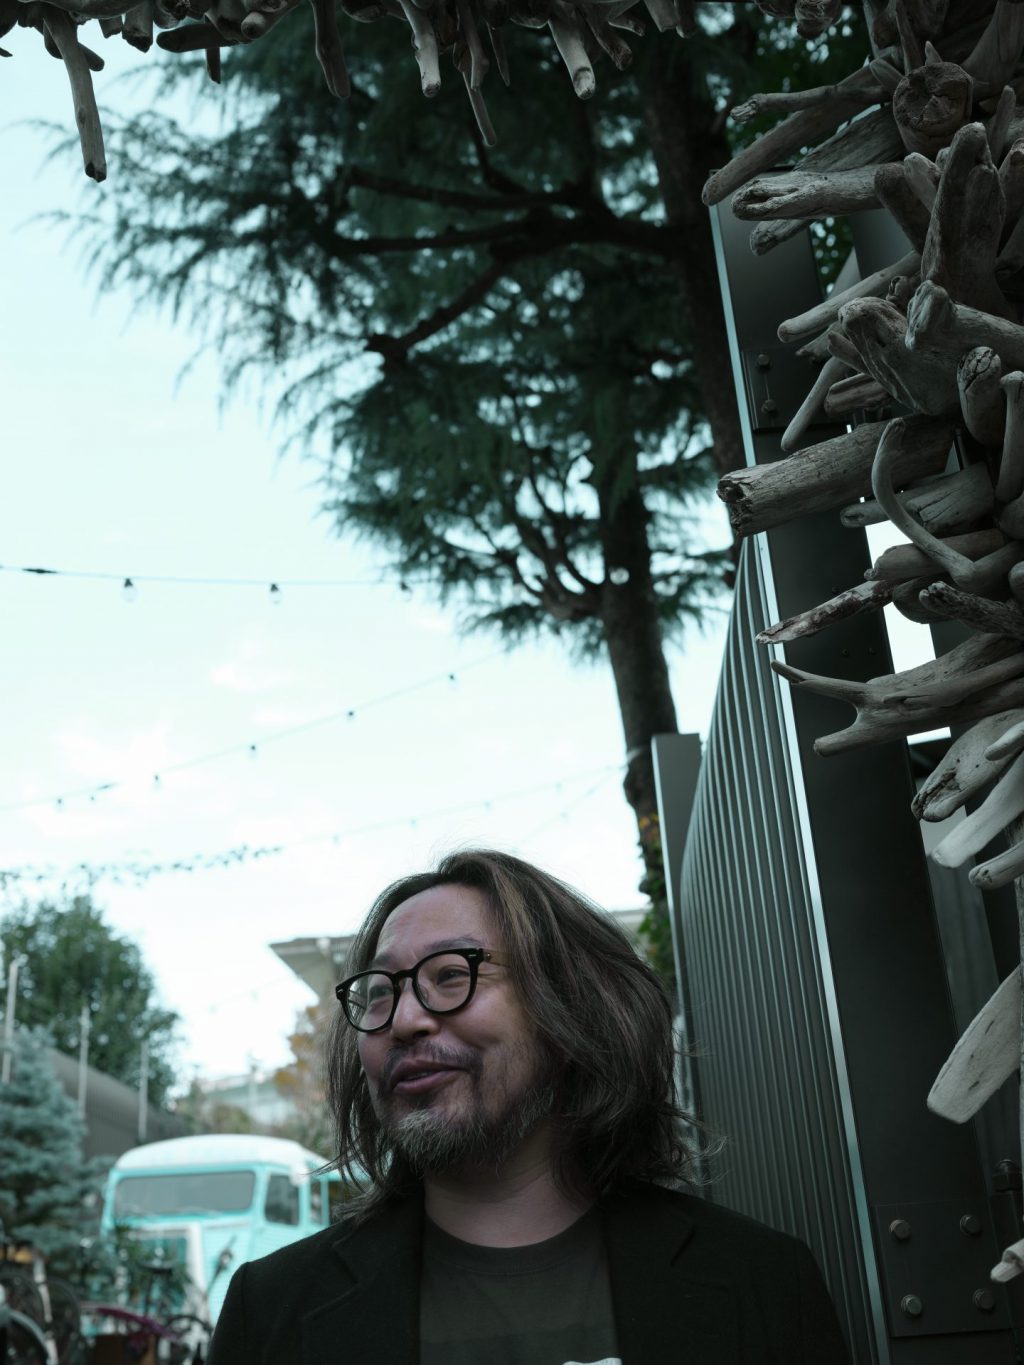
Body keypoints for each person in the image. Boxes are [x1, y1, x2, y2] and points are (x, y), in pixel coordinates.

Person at [207, 848, 851, 1364]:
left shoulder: (761, 1281)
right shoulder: (273, 1309)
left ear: (569, 1012)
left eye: (450, 975)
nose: (402, 1020)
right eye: (379, 992)